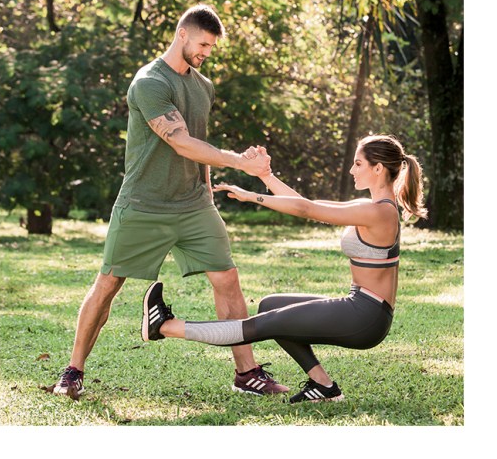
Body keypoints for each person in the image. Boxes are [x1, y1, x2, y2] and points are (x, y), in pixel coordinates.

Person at [47, 4, 288, 399]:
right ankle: (73, 371)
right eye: (203, 44)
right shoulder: (149, 82)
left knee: (227, 279)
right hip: (143, 204)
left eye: (212, 46)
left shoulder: (203, 86)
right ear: (182, 35)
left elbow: (199, 140)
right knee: (108, 284)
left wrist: (208, 188)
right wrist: (238, 162)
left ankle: (247, 373)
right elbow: (178, 140)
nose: (207, 52)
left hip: (194, 204)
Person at [145, 135, 426, 403]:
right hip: (362, 308)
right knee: (271, 305)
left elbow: (305, 210)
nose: (352, 170)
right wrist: (266, 177)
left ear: (378, 168)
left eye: (358, 163)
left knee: (260, 326)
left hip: (365, 316)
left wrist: (252, 196)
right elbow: (307, 204)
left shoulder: (379, 212)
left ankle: (165, 327)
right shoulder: (371, 206)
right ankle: (323, 386)